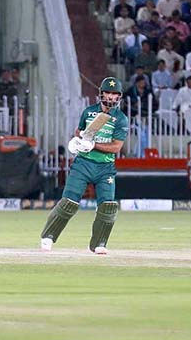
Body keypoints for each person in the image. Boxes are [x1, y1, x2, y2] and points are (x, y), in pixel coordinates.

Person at [40, 77, 129, 255]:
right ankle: (48, 236)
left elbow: (116, 147)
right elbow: (79, 131)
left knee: (108, 206)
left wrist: (93, 145)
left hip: (105, 168)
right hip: (83, 164)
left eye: (115, 94)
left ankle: (99, 243)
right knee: (69, 203)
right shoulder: (89, 112)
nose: (111, 97)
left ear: (119, 96)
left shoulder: (121, 119)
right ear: (101, 93)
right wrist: (78, 141)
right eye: (108, 93)